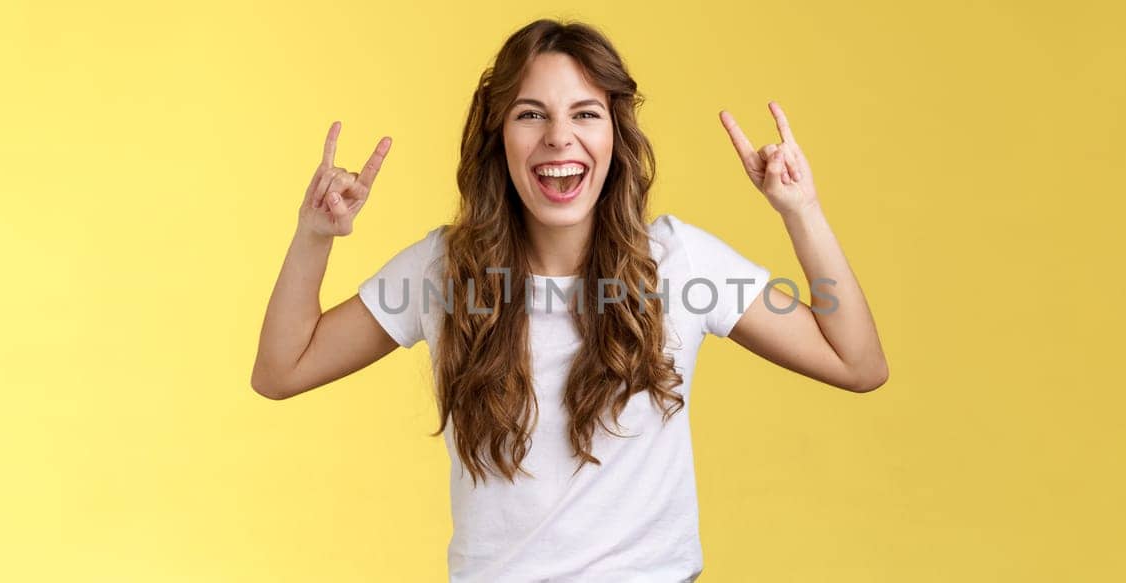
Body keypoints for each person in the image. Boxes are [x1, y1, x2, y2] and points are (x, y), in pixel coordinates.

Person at [250, 18, 888, 582]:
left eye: (585, 113)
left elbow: (857, 363)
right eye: (532, 114)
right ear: (499, 135)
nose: (560, 137)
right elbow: (282, 370)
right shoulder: (444, 271)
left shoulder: (679, 265)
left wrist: (800, 212)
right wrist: (314, 235)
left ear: (615, 135)